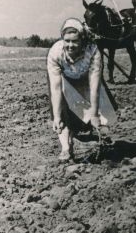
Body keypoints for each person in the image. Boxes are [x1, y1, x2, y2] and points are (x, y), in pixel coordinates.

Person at [47, 18, 118, 162]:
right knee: (63, 113)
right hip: (65, 79)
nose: (70, 45)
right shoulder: (55, 52)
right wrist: (57, 116)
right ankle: (66, 148)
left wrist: (94, 114)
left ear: (83, 40)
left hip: (86, 79)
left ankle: (96, 136)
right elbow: (55, 87)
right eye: (67, 41)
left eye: (75, 41)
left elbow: (94, 84)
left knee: (99, 113)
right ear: (62, 40)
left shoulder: (92, 51)